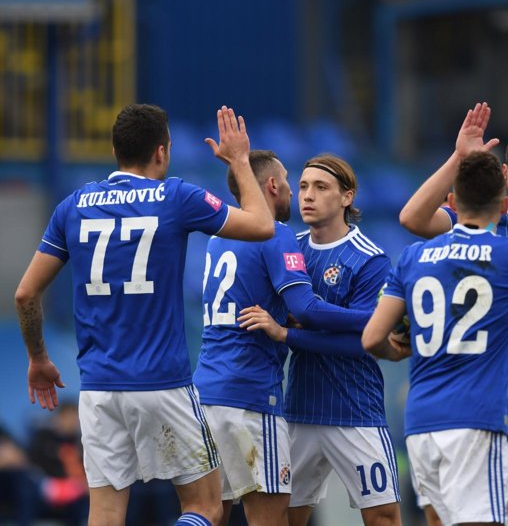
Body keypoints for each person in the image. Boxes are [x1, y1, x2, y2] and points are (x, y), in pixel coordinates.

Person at [15, 103, 275, 526]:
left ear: (115, 150)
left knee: (104, 514)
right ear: (161, 151)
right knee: (205, 507)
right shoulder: (176, 196)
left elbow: (26, 294)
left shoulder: (73, 206)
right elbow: (262, 225)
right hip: (163, 383)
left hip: (98, 390)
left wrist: (38, 359)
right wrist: (240, 161)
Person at [363, 150, 508, 526]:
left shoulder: (414, 256)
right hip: (477, 417)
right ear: (503, 206)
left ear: (452, 203)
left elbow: (372, 339)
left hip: (421, 421)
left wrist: (398, 350)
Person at [193, 149, 380, 526]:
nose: (297, 194)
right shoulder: (274, 233)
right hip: (251, 397)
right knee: (271, 517)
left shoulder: (219, 236)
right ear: (273, 186)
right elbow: (307, 309)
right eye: (292, 185)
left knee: (209, 513)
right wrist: (377, 317)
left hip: (206, 393)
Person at [275, 154, 402, 526]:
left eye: (320, 187)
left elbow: (362, 343)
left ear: (347, 197)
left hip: (356, 409)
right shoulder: (290, 250)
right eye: (302, 186)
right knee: (283, 518)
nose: (307, 195)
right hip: (300, 409)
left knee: (382, 518)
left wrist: (292, 333)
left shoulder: (370, 259)